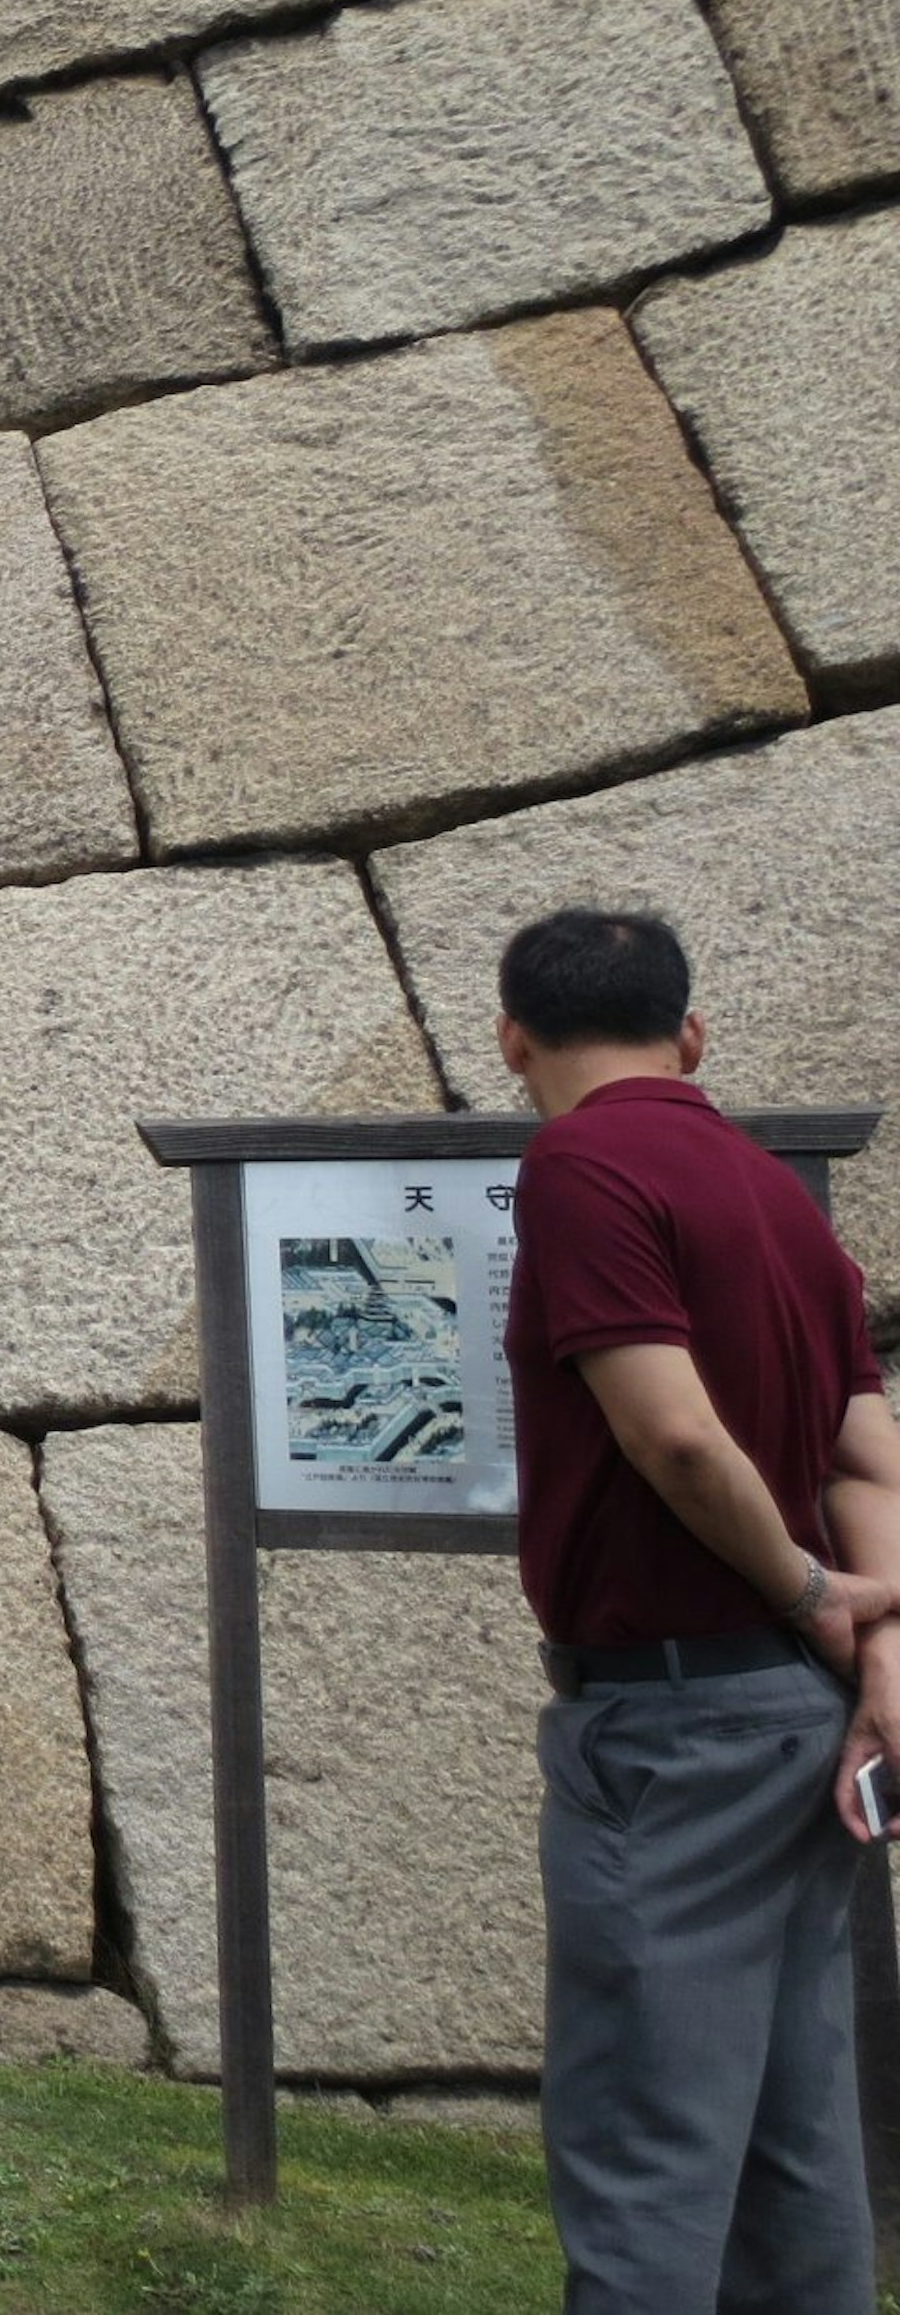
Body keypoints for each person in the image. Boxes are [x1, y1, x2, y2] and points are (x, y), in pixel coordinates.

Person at [499, 906, 900, 2313]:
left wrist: (804, 1588)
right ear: (693, 1034)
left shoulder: (580, 1164)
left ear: (512, 1042)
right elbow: (869, 1451)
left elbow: (671, 1437)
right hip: (796, 1722)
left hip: (673, 1724)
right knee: (797, 2135)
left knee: (646, 2145)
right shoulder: (771, 1190)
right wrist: (877, 1650)